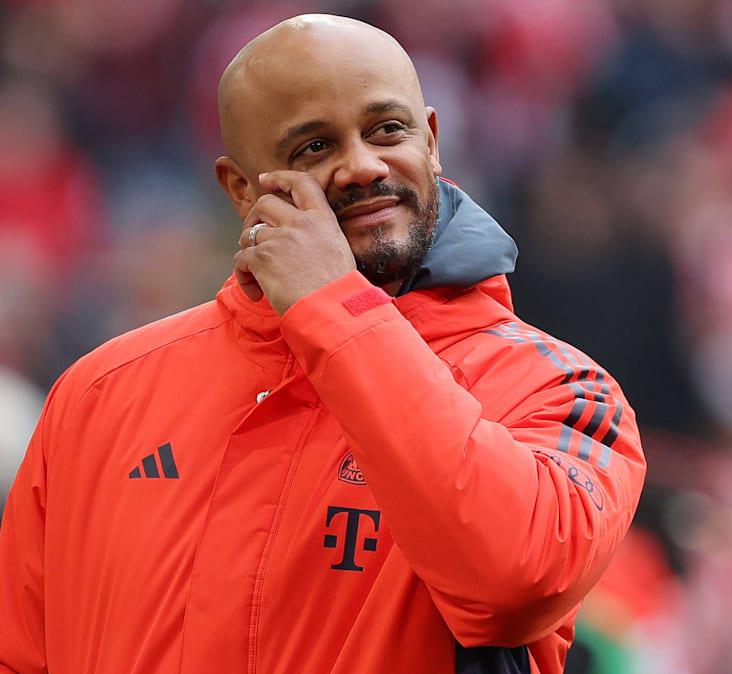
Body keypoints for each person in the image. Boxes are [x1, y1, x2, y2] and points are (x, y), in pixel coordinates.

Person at [0, 14, 645, 674]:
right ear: (241, 189)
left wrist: (334, 308)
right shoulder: (100, 395)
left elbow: (517, 579)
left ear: (431, 140)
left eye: (386, 130)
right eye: (314, 147)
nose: (362, 166)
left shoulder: (558, 390)